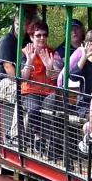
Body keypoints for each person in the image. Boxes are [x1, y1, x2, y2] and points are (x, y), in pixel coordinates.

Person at [19, 20, 57, 153]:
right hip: (31, 91)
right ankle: (35, 135)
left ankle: (46, 141)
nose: (42, 38)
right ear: (31, 37)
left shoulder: (52, 53)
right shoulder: (25, 52)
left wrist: (49, 66)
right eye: (38, 35)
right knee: (35, 108)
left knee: (50, 110)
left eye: (44, 35)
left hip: (48, 91)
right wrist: (29, 60)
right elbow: (23, 76)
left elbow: (52, 76)